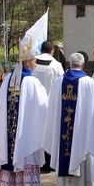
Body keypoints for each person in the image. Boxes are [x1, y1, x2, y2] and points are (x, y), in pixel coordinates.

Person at [0, 38, 49, 186]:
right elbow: (41, 107)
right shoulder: (32, 82)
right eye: (34, 61)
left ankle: (13, 181)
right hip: (26, 130)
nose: (35, 64)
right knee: (26, 148)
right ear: (27, 63)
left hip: (10, 131)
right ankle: (24, 184)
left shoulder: (7, 80)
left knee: (11, 146)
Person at [43, 52, 94, 186]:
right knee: (83, 152)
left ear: (68, 64)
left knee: (65, 148)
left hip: (63, 131)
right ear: (83, 65)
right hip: (83, 132)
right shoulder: (91, 83)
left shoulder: (58, 82)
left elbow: (51, 109)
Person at [33, 40, 66, 172]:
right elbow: (62, 83)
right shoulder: (56, 65)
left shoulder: (33, 62)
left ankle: (35, 160)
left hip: (34, 103)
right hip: (51, 103)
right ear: (52, 51)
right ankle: (49, 160)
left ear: (41, 50)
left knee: (36, 131)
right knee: (50, 131)